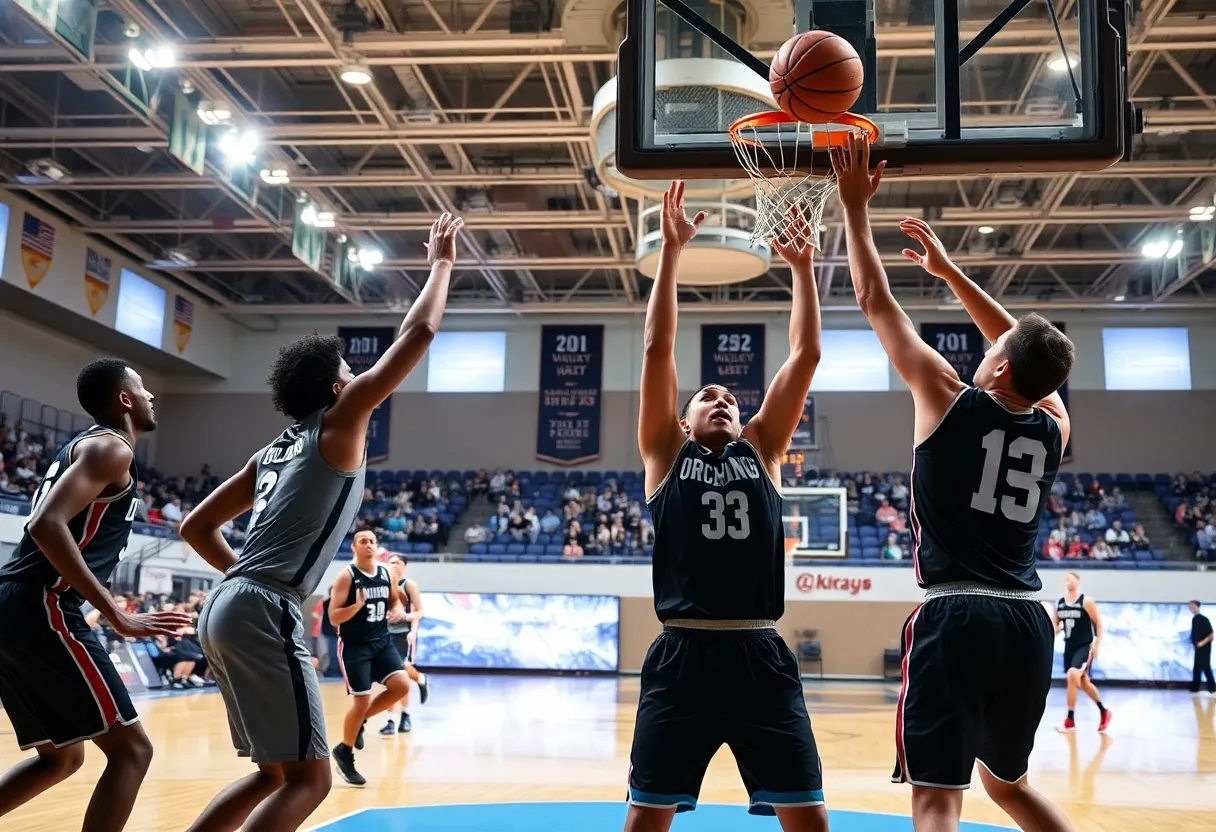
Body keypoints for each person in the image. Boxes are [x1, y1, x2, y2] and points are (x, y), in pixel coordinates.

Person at [178, 212, 463, 832]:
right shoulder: (342, 420)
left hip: (226, 603)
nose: (355, 376)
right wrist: (441, 263)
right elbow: (417, 334)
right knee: (312, 780)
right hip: (260, 604)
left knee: (273, 774)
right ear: (337, 387)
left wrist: (241, 582)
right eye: (347, 371)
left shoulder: (274, 449)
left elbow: (194, 528)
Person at [831, 134, 1076, 832]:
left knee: (940, 799)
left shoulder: (947, 396)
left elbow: (874, 298)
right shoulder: (1053, 427)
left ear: (998, 369)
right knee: (1012, 788)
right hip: (1029, 623)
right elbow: (1037, 365)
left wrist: (853, 208)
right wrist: (953, 276)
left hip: (959, 613)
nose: (983, 344)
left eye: (992, 347)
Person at [625, 181, 826, 831]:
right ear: (682, 421)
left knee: (808, 819)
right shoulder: (664, 449)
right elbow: (657, 351)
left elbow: (806, 354)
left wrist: (803, 268)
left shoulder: (763, 448)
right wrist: (673, 258)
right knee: (646, 819)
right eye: (707, 397)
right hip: (682, 655)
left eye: (732, 402)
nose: (722, 402)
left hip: (759, 655)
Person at [0, 359, 190, 831]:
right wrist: (116, 613)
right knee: (133, 751)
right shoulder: (111, 448)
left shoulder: (88, 447)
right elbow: (45, 523)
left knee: (61, 760)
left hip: (16, 603)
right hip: (41, 602)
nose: (150, 395)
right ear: (124, 400)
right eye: (142, 388)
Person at [328, 530, 408, 784]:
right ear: (353, 547)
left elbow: (396, 601)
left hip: (381, 641)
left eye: (373, 541)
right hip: (355, 646)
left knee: (401, 686)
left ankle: (358, 724)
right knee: (361, 703)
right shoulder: (346, 576)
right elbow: (334, 617)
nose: (370, 545)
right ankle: (345, 752)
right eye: (364, 541)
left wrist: (396, 611)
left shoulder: (386, 572)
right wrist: (356, 606)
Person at [1050, 572, 1111, 732]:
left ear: (1078, 582)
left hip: (1084, 646)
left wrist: (1097, 643)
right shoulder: (1060, 603)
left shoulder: (1086, 602)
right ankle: (1104, 711)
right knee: (1083, 682)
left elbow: (1098, 623)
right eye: (1067, 579)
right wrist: (1051, 629)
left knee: (1071, 675)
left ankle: (1070, 719)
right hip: (1069, 647)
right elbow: (1057, 625)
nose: (1069, 581)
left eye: (1072, 579)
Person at [380, 552, 429, 736]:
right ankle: (391, 720)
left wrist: (408, 620)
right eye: (391, 562)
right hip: (384, 636)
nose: (394, 565)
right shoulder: (382, 585)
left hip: (402, 635)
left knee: (398, 677)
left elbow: (421, 611)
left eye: (398, 562)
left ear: (404, 566)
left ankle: (404, 716)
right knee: (389, 680)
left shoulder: (408, 585)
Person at [1190, 600, 1215, 695]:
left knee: (1206, 667)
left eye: (1193, 606)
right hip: (1198, 647)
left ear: (1198, 607)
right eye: (1190, 607)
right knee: (1197, 667)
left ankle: (1212, 688)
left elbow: (1211, 634)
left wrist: (1202, 643)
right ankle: (1195, 688)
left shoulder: (1204, 619)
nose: (1191, 609)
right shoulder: (1194, 619)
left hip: (1204, 647)